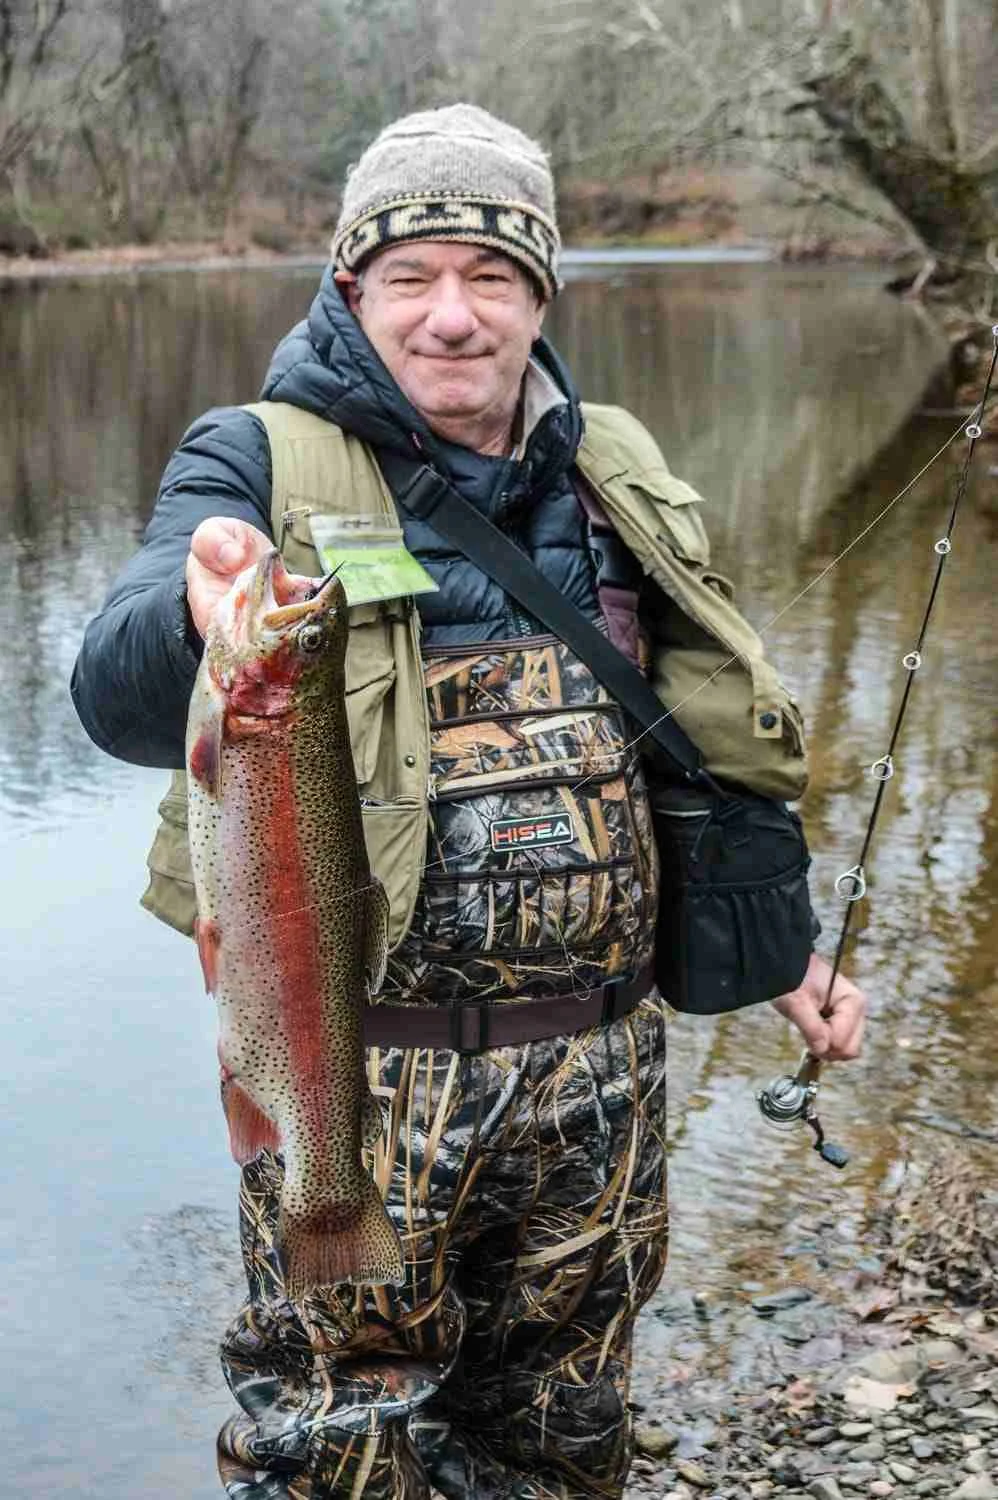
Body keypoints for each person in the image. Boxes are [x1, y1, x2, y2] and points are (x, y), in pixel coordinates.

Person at [71, 104, 866, 1500]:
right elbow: (119, 695)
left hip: (602, 1072)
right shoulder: (252, 454)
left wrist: (777, 943)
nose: (452, 316)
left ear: (540, 294)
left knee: (566, 1429)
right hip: (360, 1068)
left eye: (489, 277)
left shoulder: (606, 462)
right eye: (411, 277)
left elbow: (686, 731)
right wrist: (196, 618)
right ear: (349, 290)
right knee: (336, 1452)